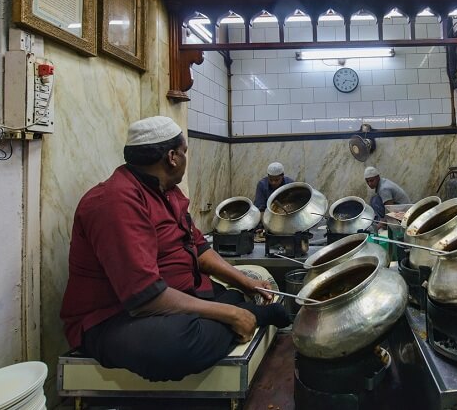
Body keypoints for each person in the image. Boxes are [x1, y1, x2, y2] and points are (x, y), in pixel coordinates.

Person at [60, 116, 289, 382]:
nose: (184, 158)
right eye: (184, 152)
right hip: (117, 318)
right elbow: (145, 298)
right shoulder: (115, 203)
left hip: (178, 297)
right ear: (172, 157)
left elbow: (200, 249)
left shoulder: (167, 192)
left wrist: (247, 282)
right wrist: (232, 314)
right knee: (180, 344)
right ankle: (250, 317)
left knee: (232, 295)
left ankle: (235, 314)